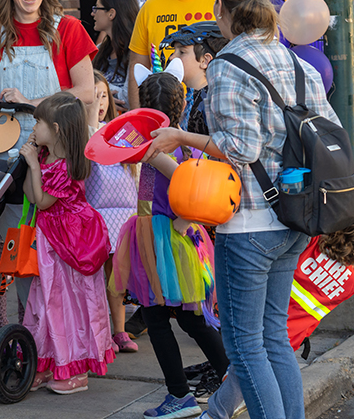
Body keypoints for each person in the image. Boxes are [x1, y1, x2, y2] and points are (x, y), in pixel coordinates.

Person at [147, 0, 339, 419]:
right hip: (294, 217)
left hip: (251, 221)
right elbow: (329, 128)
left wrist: (181, 138)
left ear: (221, 10)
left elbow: (240, 147)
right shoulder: (297, 61)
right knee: (273, 336)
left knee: (245, 344)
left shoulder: (230, 64)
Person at [0, 0, 97, 314]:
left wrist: (32, 103)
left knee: (58, 245)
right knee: (16, 245)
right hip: (9, 156)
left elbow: (86, 92)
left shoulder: (67, 29)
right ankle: (25, 332)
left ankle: (66, 335)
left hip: (56, 154)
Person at [112, 72, 227, 418]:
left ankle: (180, 396)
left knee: (159, 319)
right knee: (192, 320)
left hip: (162, 239)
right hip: (175, 238)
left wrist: (150, 153)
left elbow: (183, 179)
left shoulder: (159, 147)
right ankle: (234, 380)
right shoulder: (187, 142)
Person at [202, 202, 354, 419]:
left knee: (242, 371)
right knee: (252, 375)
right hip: (293, 337)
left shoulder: (312, 244)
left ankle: (214, 415)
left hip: (264, 322)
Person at [21, 92, 113, 394]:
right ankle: (49, 363)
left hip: (69, 243)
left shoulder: (67, 165)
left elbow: (44, 202)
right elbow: (31, 196)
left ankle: (75, 369)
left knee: (68, 305)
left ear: (57, 128)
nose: (34, 127)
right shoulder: (48, 158)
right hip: (52, 241)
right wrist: (32, 163)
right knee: (47, 303)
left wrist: (34, 166)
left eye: (39, 122)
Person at [85, 70, 139, 353]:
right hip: (96, 216)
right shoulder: (84, 133)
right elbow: (91, 141)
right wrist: (91, 113)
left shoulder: (122, 130)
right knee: (95, 279)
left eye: (103, 95)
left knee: (116, 277)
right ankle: (101, 333)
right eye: (94, 96)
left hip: (123, 215)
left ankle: (119, 330)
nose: (100, 101)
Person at [91, 0, 139, 111]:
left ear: (111, 13)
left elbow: (128, 100)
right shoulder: (99, 50)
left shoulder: (137, 52)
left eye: (96, 8)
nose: (92, 13)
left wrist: (100, 93)